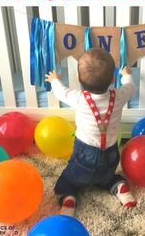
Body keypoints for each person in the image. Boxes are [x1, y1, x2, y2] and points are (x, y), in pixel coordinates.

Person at [45, 48, 136, 217]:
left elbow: (61, 92)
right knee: (108, 177)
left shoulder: (79, 98)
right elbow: (130, 86)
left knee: (67, 180)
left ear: (79, 80)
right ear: (112, 79)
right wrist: (126, 74)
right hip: (110, 155)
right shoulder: (119, 95)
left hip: (83, 156)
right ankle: (120, 187)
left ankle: (69, 197)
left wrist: (54, 80)